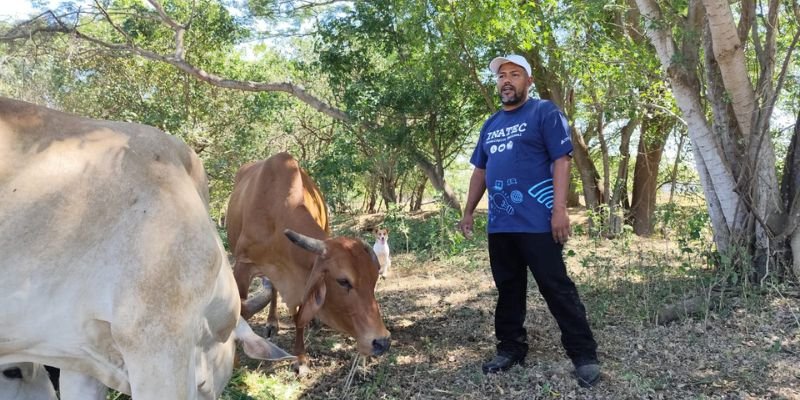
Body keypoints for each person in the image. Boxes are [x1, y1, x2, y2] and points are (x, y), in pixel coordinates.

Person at [458, 54, 600, 388]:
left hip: (538, 221)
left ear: (529, 81)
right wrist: (468, 210)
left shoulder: (544, 112)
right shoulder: (490, 125)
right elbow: (480, 170)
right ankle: (511, 349)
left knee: (556, 287)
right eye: (501, 75)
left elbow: (561, 160)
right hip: (501, 225)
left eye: (515, 74)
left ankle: (584, 354)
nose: (506, 80)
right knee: (508, 289)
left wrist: (560, 210)